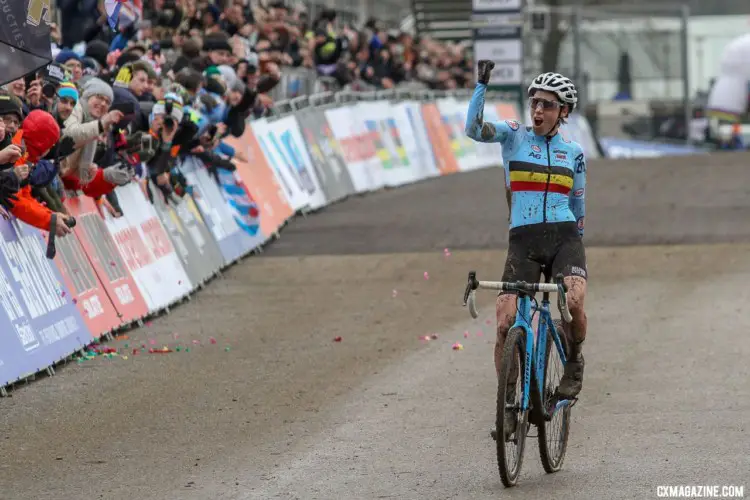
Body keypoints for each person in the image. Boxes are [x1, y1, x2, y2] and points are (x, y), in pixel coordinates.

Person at [465, 60, 588, 442]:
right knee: (504, 323)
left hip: (565, 238)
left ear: (563, 112)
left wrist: (575, 252)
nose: (538, 110)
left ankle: (573, 362)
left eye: (547, 105)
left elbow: (579, 204)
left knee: (575, 301)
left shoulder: (574, 152)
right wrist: (480, 86)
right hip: (523, 240)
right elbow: (473, 129)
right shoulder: (513, 136)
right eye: (534, 102)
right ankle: (507, 404)